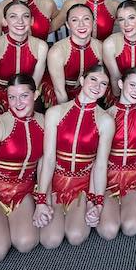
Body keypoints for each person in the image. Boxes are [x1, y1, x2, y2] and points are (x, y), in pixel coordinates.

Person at [32, 65, 115, 248]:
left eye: (103, 83)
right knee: (49, 241)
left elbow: (100, 165)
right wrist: (41, 200)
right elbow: (48, 159)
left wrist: (97, 202)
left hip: (82, 186)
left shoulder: (105, 121)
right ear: (82, 80)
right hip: (56, 182)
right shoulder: (55, 113)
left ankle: (79, 211)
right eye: (93, 79)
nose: (97, 86)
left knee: (76, 236)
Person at [0, 75, 43, 262]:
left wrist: (42, 200)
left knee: (26, 243)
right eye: (12, 97)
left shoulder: (45, 122)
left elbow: (43, 165)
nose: (18, 103)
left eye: (24, 96)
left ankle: (10, 224)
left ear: (36, 94)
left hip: (24, 191)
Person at [97, 68, 136, 239]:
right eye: (132, 85)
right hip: (109, 177)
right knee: (108, 231)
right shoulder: (106, 114)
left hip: (134, 176)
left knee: (130, 227)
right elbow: (98, 160)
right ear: (120, 84)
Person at [0, 0, 48, 121]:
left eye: (25, 16)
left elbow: (34, 85)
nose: (20, 21)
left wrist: (23, 105)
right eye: (13, 16)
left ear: (31, 21)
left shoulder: (41, 47)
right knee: (4, 128)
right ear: (5, 21)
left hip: (25, 96)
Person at [41, 4, 103, 107]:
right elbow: (59, 91)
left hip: (87, 92)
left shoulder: (100, 47)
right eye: (75, 20)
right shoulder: (57, 51)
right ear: (68, 25)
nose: (81, 25)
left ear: (93, 22)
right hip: (60, 94)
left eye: (86, 19)